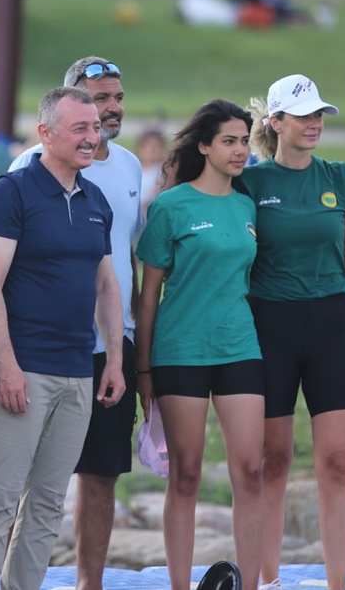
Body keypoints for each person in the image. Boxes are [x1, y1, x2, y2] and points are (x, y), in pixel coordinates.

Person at [0, 86, 125, 590]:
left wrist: (113, 359)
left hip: (78, 372)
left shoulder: (96, 200)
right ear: (45, 134)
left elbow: (106, 285)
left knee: (49, 504)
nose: (92, 138)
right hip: (23, 370)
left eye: (95, 128)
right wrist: (6, 365)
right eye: (80, 129)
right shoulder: (13, 191)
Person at [5, 56, 141, 590]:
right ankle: (18, 579)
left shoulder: (130, 167)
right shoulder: (26, 168)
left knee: (102, 472)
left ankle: (91, 582)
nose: (111, 109)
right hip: (43, 344)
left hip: (111, 344)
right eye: (99, 99)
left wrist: (125, 346)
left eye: (117, 97)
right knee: (33, 475)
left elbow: (125, 259)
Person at [242, 74, 345, 590]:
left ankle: (337, 584)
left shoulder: (342, 179)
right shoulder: (250, 184)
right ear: (275, 122)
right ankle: (269, 580)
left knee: (338, 462)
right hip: (269, 327)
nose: (314, 123)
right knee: (272, 460)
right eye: (302, 115)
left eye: (319, 113)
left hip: (331, 328)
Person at [134, 99, 265, 590]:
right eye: (229, 141)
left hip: (239, 348)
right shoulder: (169, 206)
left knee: (250, 471)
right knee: (185, 475)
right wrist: (143, 372)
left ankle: (249, 584)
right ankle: (179, 585)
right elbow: (148, 298)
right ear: (205, 146)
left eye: (244, 142)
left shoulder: (247, 205)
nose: (239, 151)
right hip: (180, 351)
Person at [135, 127, 167, 225]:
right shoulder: (135, 169)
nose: (152, 150)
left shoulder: (161, 173)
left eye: (156, 146)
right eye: (148, 146)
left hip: (148, 216)